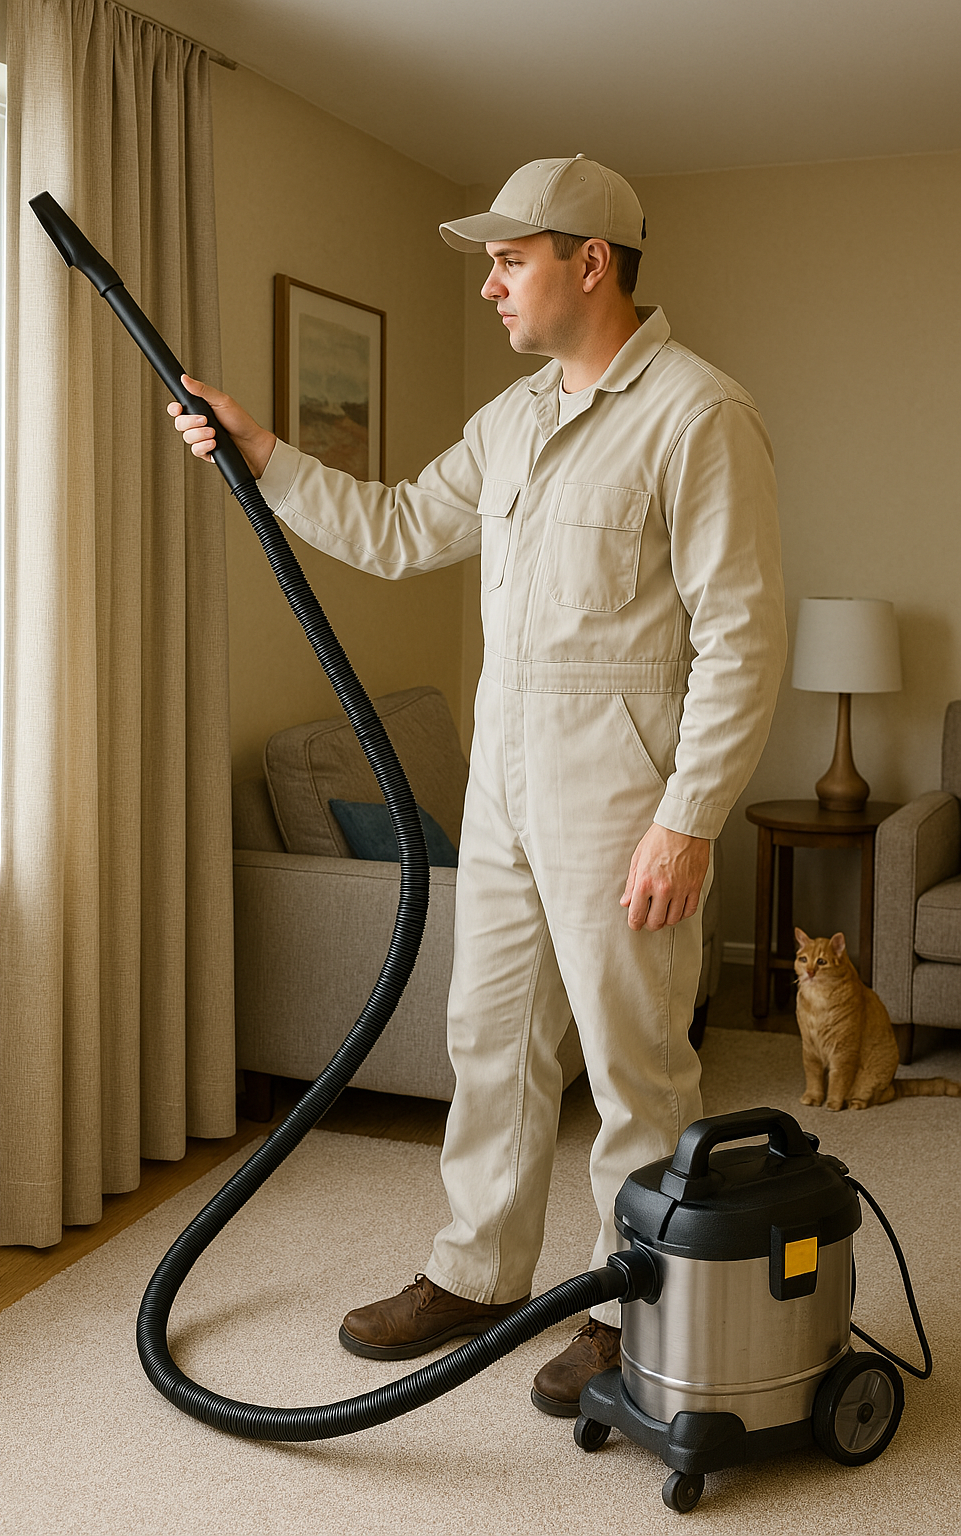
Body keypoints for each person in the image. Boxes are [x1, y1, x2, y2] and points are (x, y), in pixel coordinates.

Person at [169, 155, 787, 1418]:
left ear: (588, 261)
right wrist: (263, 454)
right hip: (502, 779)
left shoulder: (694, 414)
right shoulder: (510, 423)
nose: (494, 284)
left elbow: (742, 635)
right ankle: (480, 1272)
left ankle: (636, 1307)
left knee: (633, 1065)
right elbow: (397, 528)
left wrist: (688, 818)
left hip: (622, 792)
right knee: (487, 1037)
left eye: (510, 259)